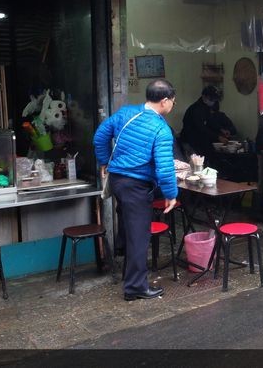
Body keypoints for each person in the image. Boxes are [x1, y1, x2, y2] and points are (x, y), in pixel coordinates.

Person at [93, 79, 178, 301]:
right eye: (173, 101)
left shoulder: (126, 113)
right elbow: (164, 166)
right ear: (165, 101)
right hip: (136, 186)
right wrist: (171, 194)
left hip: (118, 182)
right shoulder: (161, 128)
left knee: (130, 230)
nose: (173, 105)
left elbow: (100, 135)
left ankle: (128, 275)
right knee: (140, 236)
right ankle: (135, 288)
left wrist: (104, 160)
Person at [180, 85, 229, 157]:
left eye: (214, 100)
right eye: (211, 99)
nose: (213, 101)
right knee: (196, 164)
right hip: (190, 141)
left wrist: (221, 130)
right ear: (204, 96)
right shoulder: (196, 109)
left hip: (199, 141)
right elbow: (201, 128)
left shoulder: (206, 107)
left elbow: (210, 121)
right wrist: (218, 137)